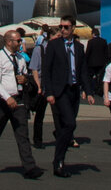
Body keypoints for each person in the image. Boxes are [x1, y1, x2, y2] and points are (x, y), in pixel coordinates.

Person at [0, 27, 45, 179]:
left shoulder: (20, 58)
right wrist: (7, 97)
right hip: (2, 101)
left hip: (18, 99)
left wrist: (25, 80)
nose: (20, 43)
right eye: (18, 40)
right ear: (9, 41)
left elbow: (25, 75)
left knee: (22, 134)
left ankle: (30, 167)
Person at [40, 21, 88, 176]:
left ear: (73, 28)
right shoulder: (54, 45)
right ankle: (58, 161)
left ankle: (59, 157)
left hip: (74, 90)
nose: (62, 29)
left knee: (65, 127)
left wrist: (89, 91)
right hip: (60, 91)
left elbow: (83, 71)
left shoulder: (79, 48)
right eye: (61, 27)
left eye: (66, 27)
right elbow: (47, 69)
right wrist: (49, 92)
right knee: (70, 123)